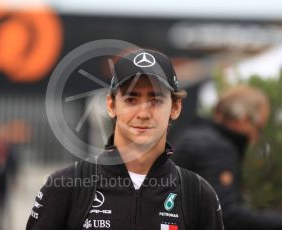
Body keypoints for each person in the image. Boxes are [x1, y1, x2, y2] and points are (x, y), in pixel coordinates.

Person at [26, 49, 224, 230]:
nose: (143, 113)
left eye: (155, 100)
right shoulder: (66, 186)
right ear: (111, 105)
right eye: (131, 100)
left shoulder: (198, 195)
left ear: (175, 107)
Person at [172, 85, 282, 230]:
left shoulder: (197, 136)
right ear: (243, 119)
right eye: (259, 127)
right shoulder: (217, 148)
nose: (256, 137)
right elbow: (224, 215)